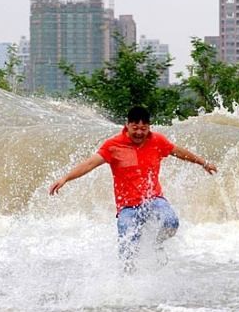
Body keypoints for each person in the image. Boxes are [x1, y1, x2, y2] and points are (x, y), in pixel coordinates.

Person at [49, 106, 217, 266]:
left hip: (153, 199)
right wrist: (66, 178)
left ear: (149, 127)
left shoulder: (157, 141)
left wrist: (203, 163)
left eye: (143, 129)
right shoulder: (113, 145)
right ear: (127, 125)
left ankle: (156, 245)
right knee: (128, 249)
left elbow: (178, 152)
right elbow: (89, 164)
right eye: (135, 128)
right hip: (127, 208)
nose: (139, 132)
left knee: (171, 222)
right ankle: (127, 283)